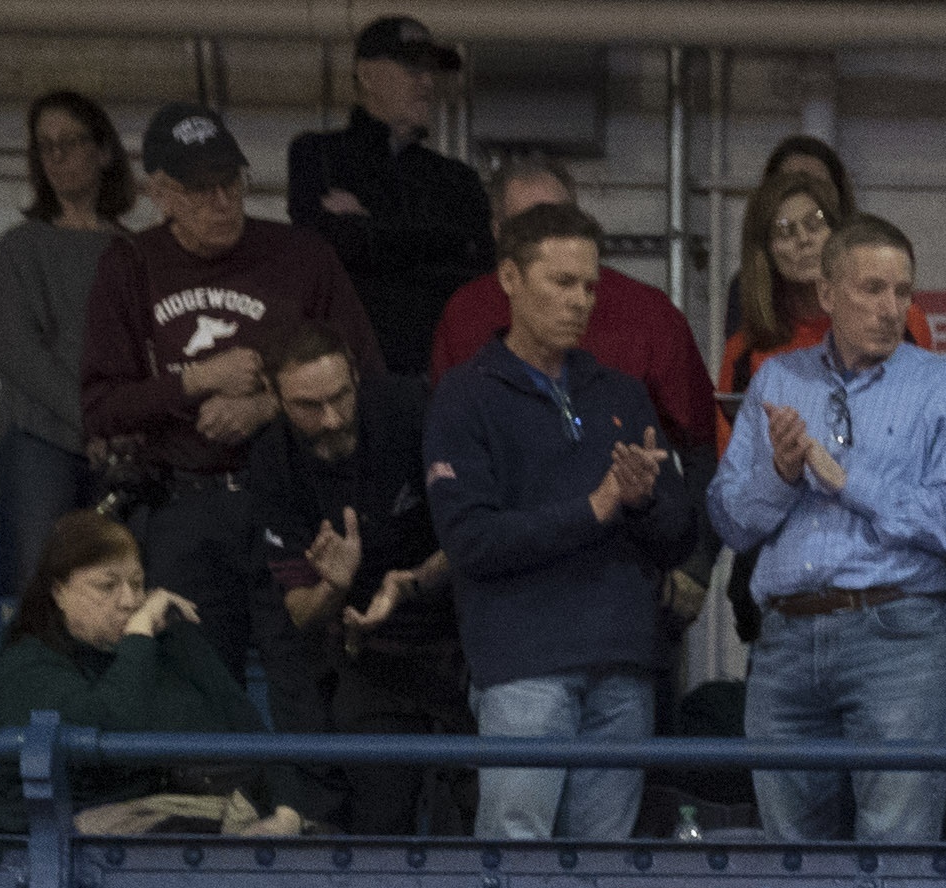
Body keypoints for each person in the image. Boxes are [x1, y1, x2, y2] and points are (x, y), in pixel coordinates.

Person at [712, 216, 946, 848]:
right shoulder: (777, 382)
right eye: (872, 289)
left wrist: (849, 481)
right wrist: (783, 474)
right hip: (784, 641)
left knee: (897, 851)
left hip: (897, 635)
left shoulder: (945, 388)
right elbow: (729, 518)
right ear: (827, 295)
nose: (891, 308)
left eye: (903, 292)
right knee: (792, 857)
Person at [77, 103, 379, 627]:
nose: (222, 204)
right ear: (160, 194)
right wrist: (195, 379)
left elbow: (368, 378)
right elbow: (101, 408)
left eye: (231, 183)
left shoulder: (302, 256)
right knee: (195, 692)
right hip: (183, 503)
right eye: (199, 191)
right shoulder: (130, 263)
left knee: (302, 681)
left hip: (292, 500)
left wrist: (269, 407)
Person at [244, 328, 464, 840]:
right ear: (275, 399)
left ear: (356, 375)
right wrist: (335, 585)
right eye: (308, 405)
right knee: (379, 827)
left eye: (340, 396)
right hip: (364, 653)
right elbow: (300, 611)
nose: (332, 418)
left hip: (458, 640)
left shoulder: (411, 410)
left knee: (473, 830)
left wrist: (407, 583)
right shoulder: (273, 461)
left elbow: (473, 532)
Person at [0, 511, 296, 839]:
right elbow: (111, 725)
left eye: (137, 583)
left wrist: (286, 812)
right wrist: (139, 636)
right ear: (59, 591)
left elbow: (251, 732)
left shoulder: (174, 643)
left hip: (176, 834)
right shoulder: (26, 662)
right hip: (45, 844)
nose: (131, 601)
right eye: (107, 586)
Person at [430, 158, 719, 458]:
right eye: (529, 230)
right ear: (497, 232)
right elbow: (447, 442)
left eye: (560, 221)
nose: (549, 241)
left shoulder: (648, 313)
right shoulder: (466, 313)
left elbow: (701, 443)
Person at [288, 14, 490, 379]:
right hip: (353, 380)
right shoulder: (317, 155)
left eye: (431, 71)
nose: (427, 83)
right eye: (412, 68)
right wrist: (435, 243)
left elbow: (475, 270)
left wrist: (368, 224)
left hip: (441, 375)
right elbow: (327, 249)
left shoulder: (458, 179)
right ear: (366, 75)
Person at [0, 92, 132, 551]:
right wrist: (94, 422)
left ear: (104, 151)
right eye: (45, 145)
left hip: (119, 443)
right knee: (41, 588)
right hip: (39, 438)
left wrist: (121, 426)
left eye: (69, 141)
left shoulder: (136, 251)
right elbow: (18, 355)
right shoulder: (21, 246)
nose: (57, 156)